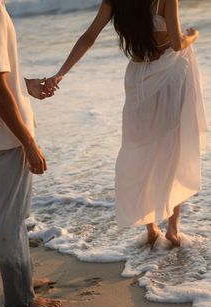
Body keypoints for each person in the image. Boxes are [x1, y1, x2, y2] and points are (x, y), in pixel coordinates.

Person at [46, 0, 207, 248]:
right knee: (171, 149)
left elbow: (88, 37)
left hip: (137, 79)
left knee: (139, 149)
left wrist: (61, 72)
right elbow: (176, 44)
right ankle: (173, 229)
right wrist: (192, 34)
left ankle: (152, 228)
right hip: (169, 73)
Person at [0, 0, 63, 307]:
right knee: (11, 220)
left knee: (13, 213)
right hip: (7, 136)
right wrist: (27, 141)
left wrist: (25, 86)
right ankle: (19, 298)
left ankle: (23, 278)